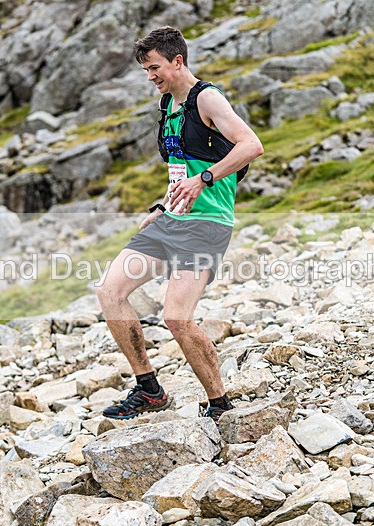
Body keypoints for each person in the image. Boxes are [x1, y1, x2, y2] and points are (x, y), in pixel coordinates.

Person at [96, 26, 264, 422]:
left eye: (155, 67)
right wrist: (162, 204)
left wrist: (204, 180)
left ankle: (220, 404)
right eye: (145, 70)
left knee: (176, 317)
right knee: (109, 291)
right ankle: (149, 389)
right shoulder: (167, 107)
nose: (150, 76)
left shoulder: (206, 97)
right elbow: (182, 167)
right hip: (170, 220)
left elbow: (251, 145)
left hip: (207, 224)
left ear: (178, 61)